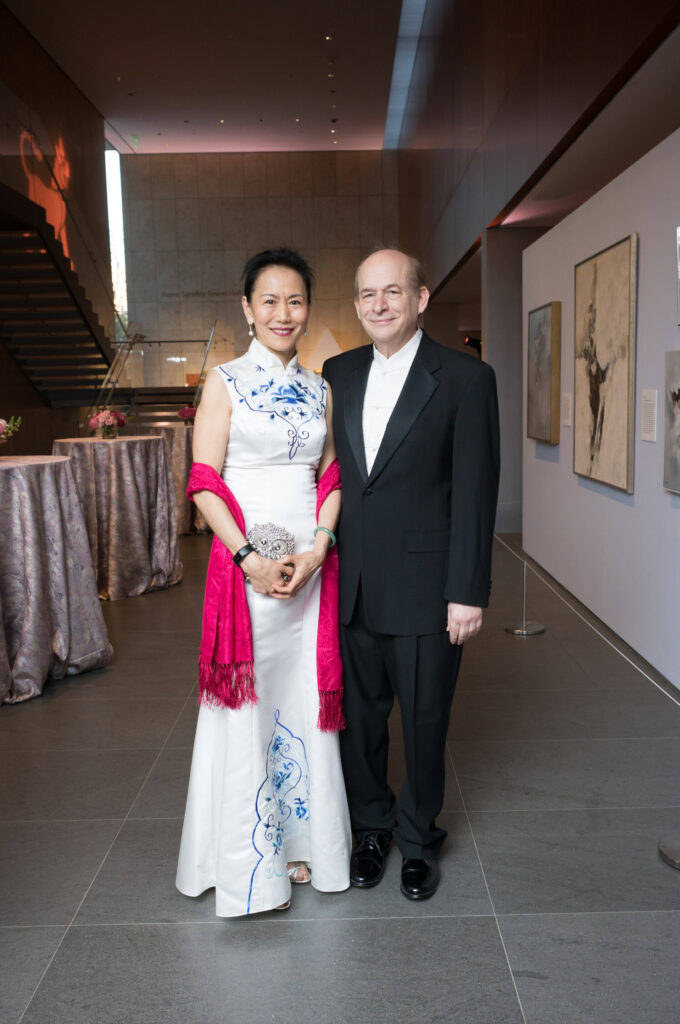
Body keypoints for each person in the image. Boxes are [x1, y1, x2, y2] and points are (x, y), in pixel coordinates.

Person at [176, 247, 351, 917]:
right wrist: (248, 556)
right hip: (246, 569)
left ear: (308, 309)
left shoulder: (322, 387)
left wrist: (317, 550)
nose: (284, 312)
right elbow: (204, 481)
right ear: (247, 308)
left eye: (296, 300)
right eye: (270, 300)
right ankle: (252, 853)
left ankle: (306, 841)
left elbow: (330, 476)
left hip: (309, 571)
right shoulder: (222, 381)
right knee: (249, 701)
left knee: (303, 699)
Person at [322, 248, 500, 901]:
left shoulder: (464, 378)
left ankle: (419, 837)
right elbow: (331, 477)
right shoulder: (334, 372)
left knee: (426, 721)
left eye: (392, 291)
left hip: (429, 590)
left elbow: (476, 493)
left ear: (421, 298)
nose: (378, 304)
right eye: (367, 294)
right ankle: (371, 828)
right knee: (358, 722)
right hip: (352, 585)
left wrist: (466, 590)